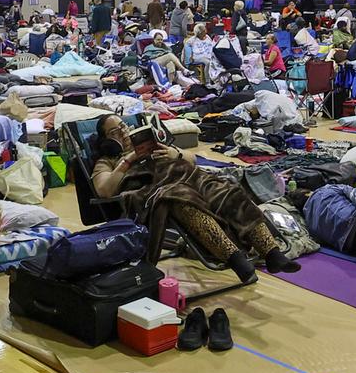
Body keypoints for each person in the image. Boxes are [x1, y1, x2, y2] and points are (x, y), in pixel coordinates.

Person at [90, 114, 300, 283]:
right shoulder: (107, 161)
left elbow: (192, 159)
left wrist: (174, 154)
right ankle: (236, 260)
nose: (123, 132)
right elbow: (105, 190)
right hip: (161, 189)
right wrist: (129, 159)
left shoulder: (156, 145)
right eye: (114, 131)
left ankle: (272, 253)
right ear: (106, 140)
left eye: (123, 126)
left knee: (229, 192)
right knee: (184, 202)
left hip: (191, 177)